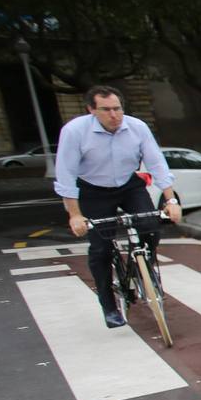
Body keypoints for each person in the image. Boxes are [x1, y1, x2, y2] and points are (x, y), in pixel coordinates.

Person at [54, 86, 183, 328]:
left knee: (150, 225)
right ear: (91, 110)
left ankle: (145, 266)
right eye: (106, 110)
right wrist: (75, 215)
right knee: (100, 248)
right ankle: (109, 305)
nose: (114, 115)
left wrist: (171, 200)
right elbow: (65, 175)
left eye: (117, 109)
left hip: (128, 184)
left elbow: (157, 163)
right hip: (93, 189)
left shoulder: (137, 128)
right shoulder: (75, 132)